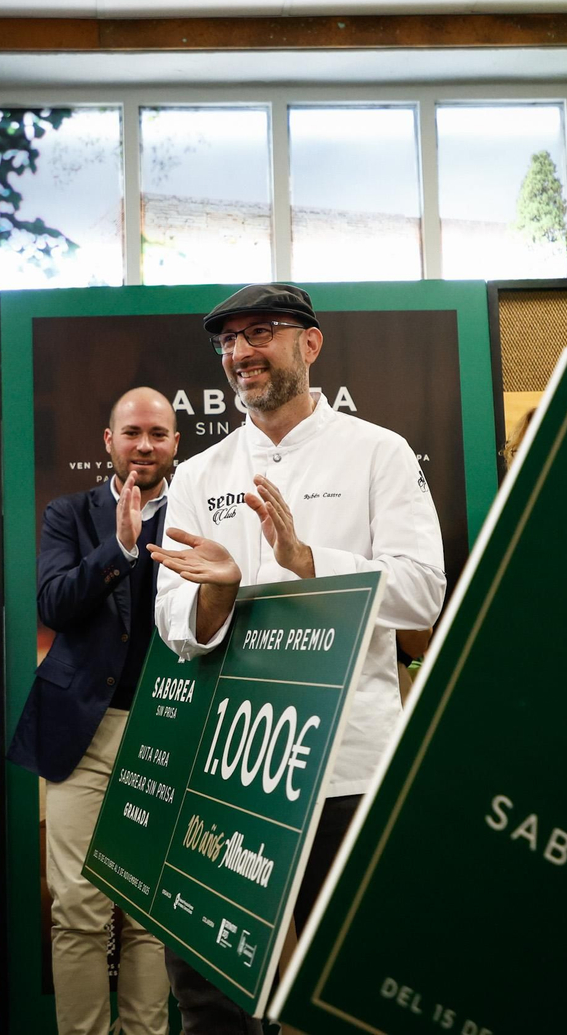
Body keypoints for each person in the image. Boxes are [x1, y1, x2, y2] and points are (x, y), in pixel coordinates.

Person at [147, 284, 445, 1032]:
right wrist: (217, 594)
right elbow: (174, 624)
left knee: (346, 990)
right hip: (227, 773)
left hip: (345, 769)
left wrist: (309, 562)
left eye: (261, 333)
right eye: (228, 341)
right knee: (212, 996)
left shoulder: (378, 451)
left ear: (310, 344)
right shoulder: (200, 473)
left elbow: (423, 593)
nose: (240, 352)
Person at [8, 387, 179, 1035]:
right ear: (108, 441)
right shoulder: (69, 513)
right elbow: (53, 603)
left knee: (148, 913)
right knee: (78, 906)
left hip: (168, 731)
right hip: (81, 732)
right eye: (132, 432)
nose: (144, 445)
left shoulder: (198, 511)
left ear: (175, 443)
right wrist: (121, 549)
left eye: (157, 433)